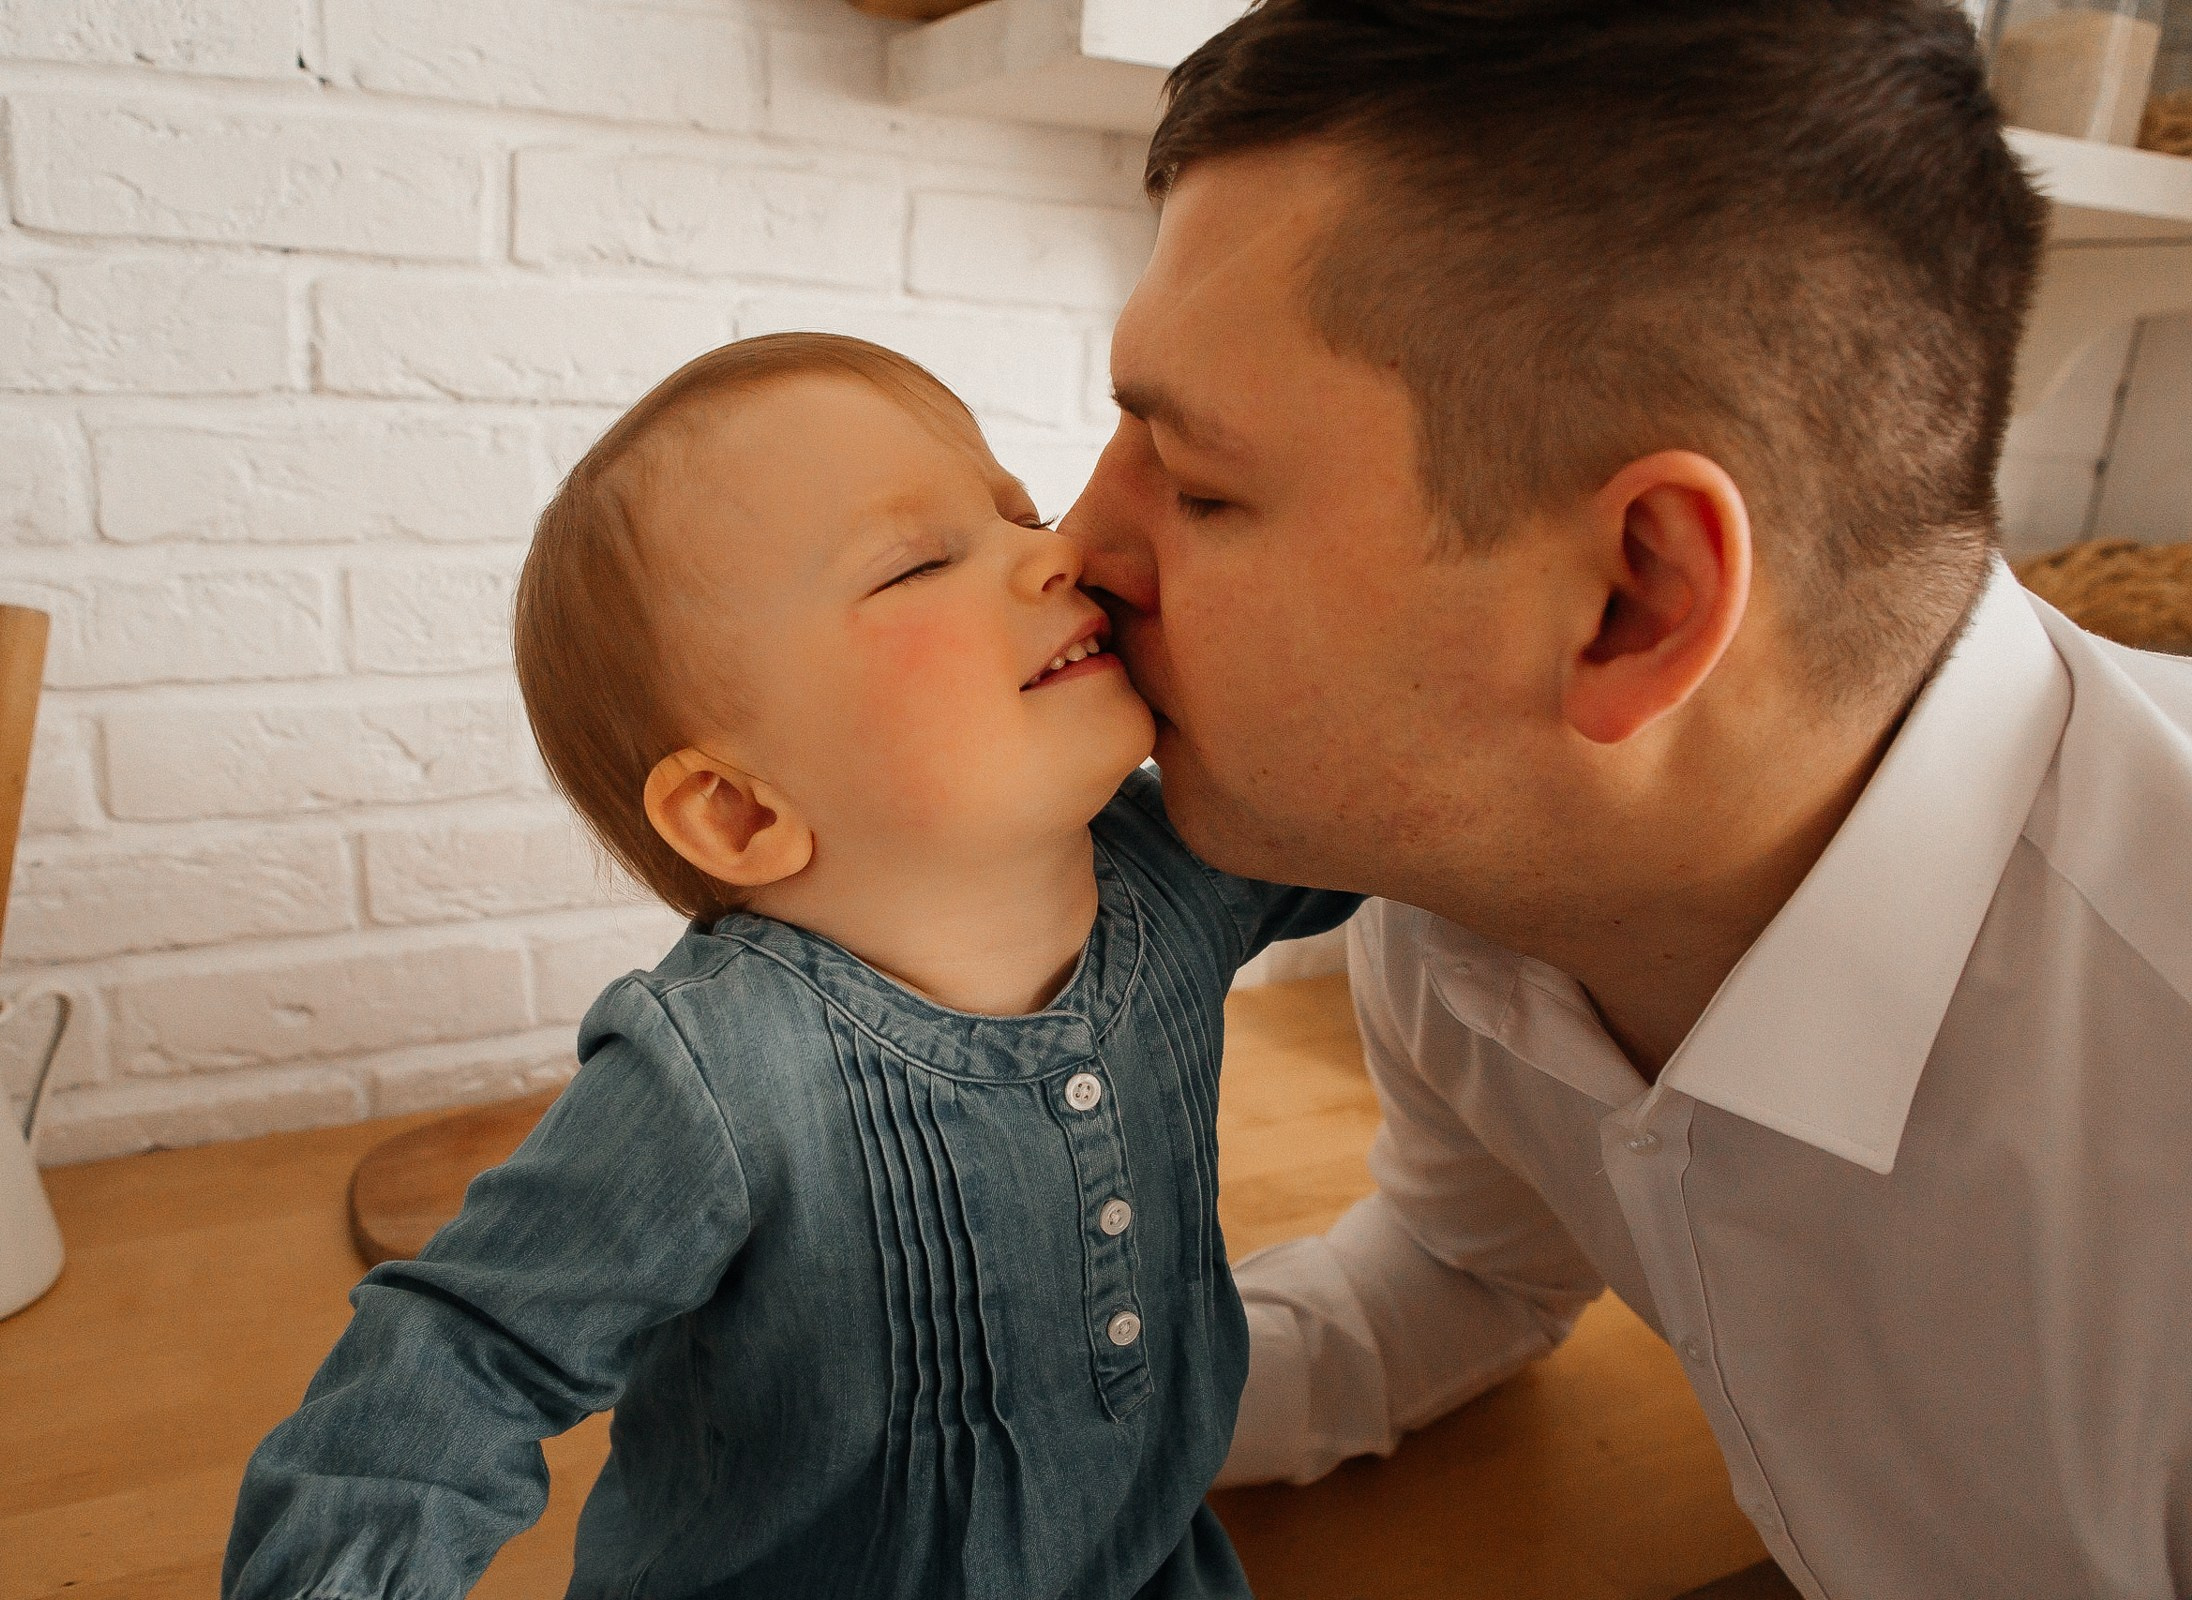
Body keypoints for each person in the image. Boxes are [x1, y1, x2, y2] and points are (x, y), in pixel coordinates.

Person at [1059, 2, 2192, 1596]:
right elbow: (1463, 1263)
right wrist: (1050, 1415)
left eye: (1200, 484)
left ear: (1635, 602)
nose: (1075, 554)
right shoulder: (1475, 879)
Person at [220, 334, 1355, 1600]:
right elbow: (458, 1364)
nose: (1055, 551)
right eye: (922, 559)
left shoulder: (1183, 873)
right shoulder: (717, 1074)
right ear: (740, 814)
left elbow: (1411, 810)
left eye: (1015, 515)